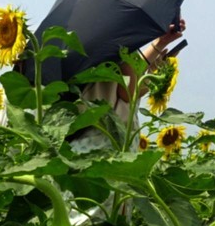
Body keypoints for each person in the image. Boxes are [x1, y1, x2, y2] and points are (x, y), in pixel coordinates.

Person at [70, 19, 186, 154]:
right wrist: (154, 71)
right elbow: (129, 93)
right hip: (107, 148)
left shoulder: (86, 34)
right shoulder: (122, 37)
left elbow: (130, 76)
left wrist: (160, 44)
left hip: (81, 144)